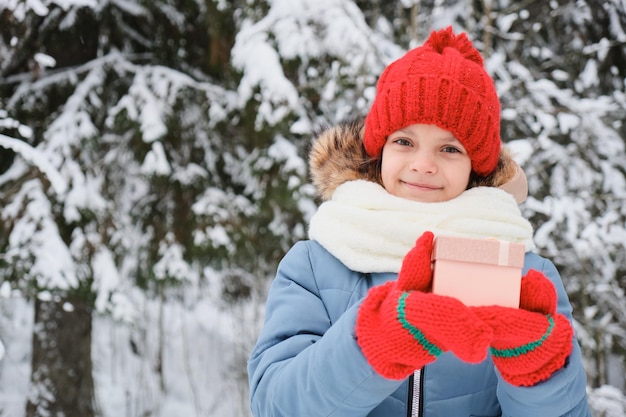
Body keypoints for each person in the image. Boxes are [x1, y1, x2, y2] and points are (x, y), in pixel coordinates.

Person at [247, 27, 591, 417]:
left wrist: (539, 375)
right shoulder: (315, 262)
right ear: (379, 150)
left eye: (449, 148)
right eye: (404, 142)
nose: (423, 164)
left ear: (475, 168)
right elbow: (275, 406)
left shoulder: (525, 273)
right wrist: (371, 345)